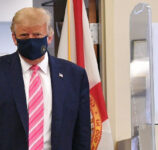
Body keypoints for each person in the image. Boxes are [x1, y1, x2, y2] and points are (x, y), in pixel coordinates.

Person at [0, 7, 91, 150]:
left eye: (37, 35)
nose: (31, 40)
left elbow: (82, 131)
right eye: (24, 35)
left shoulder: (74, 76)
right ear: (14, 38)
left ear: (49, 37)